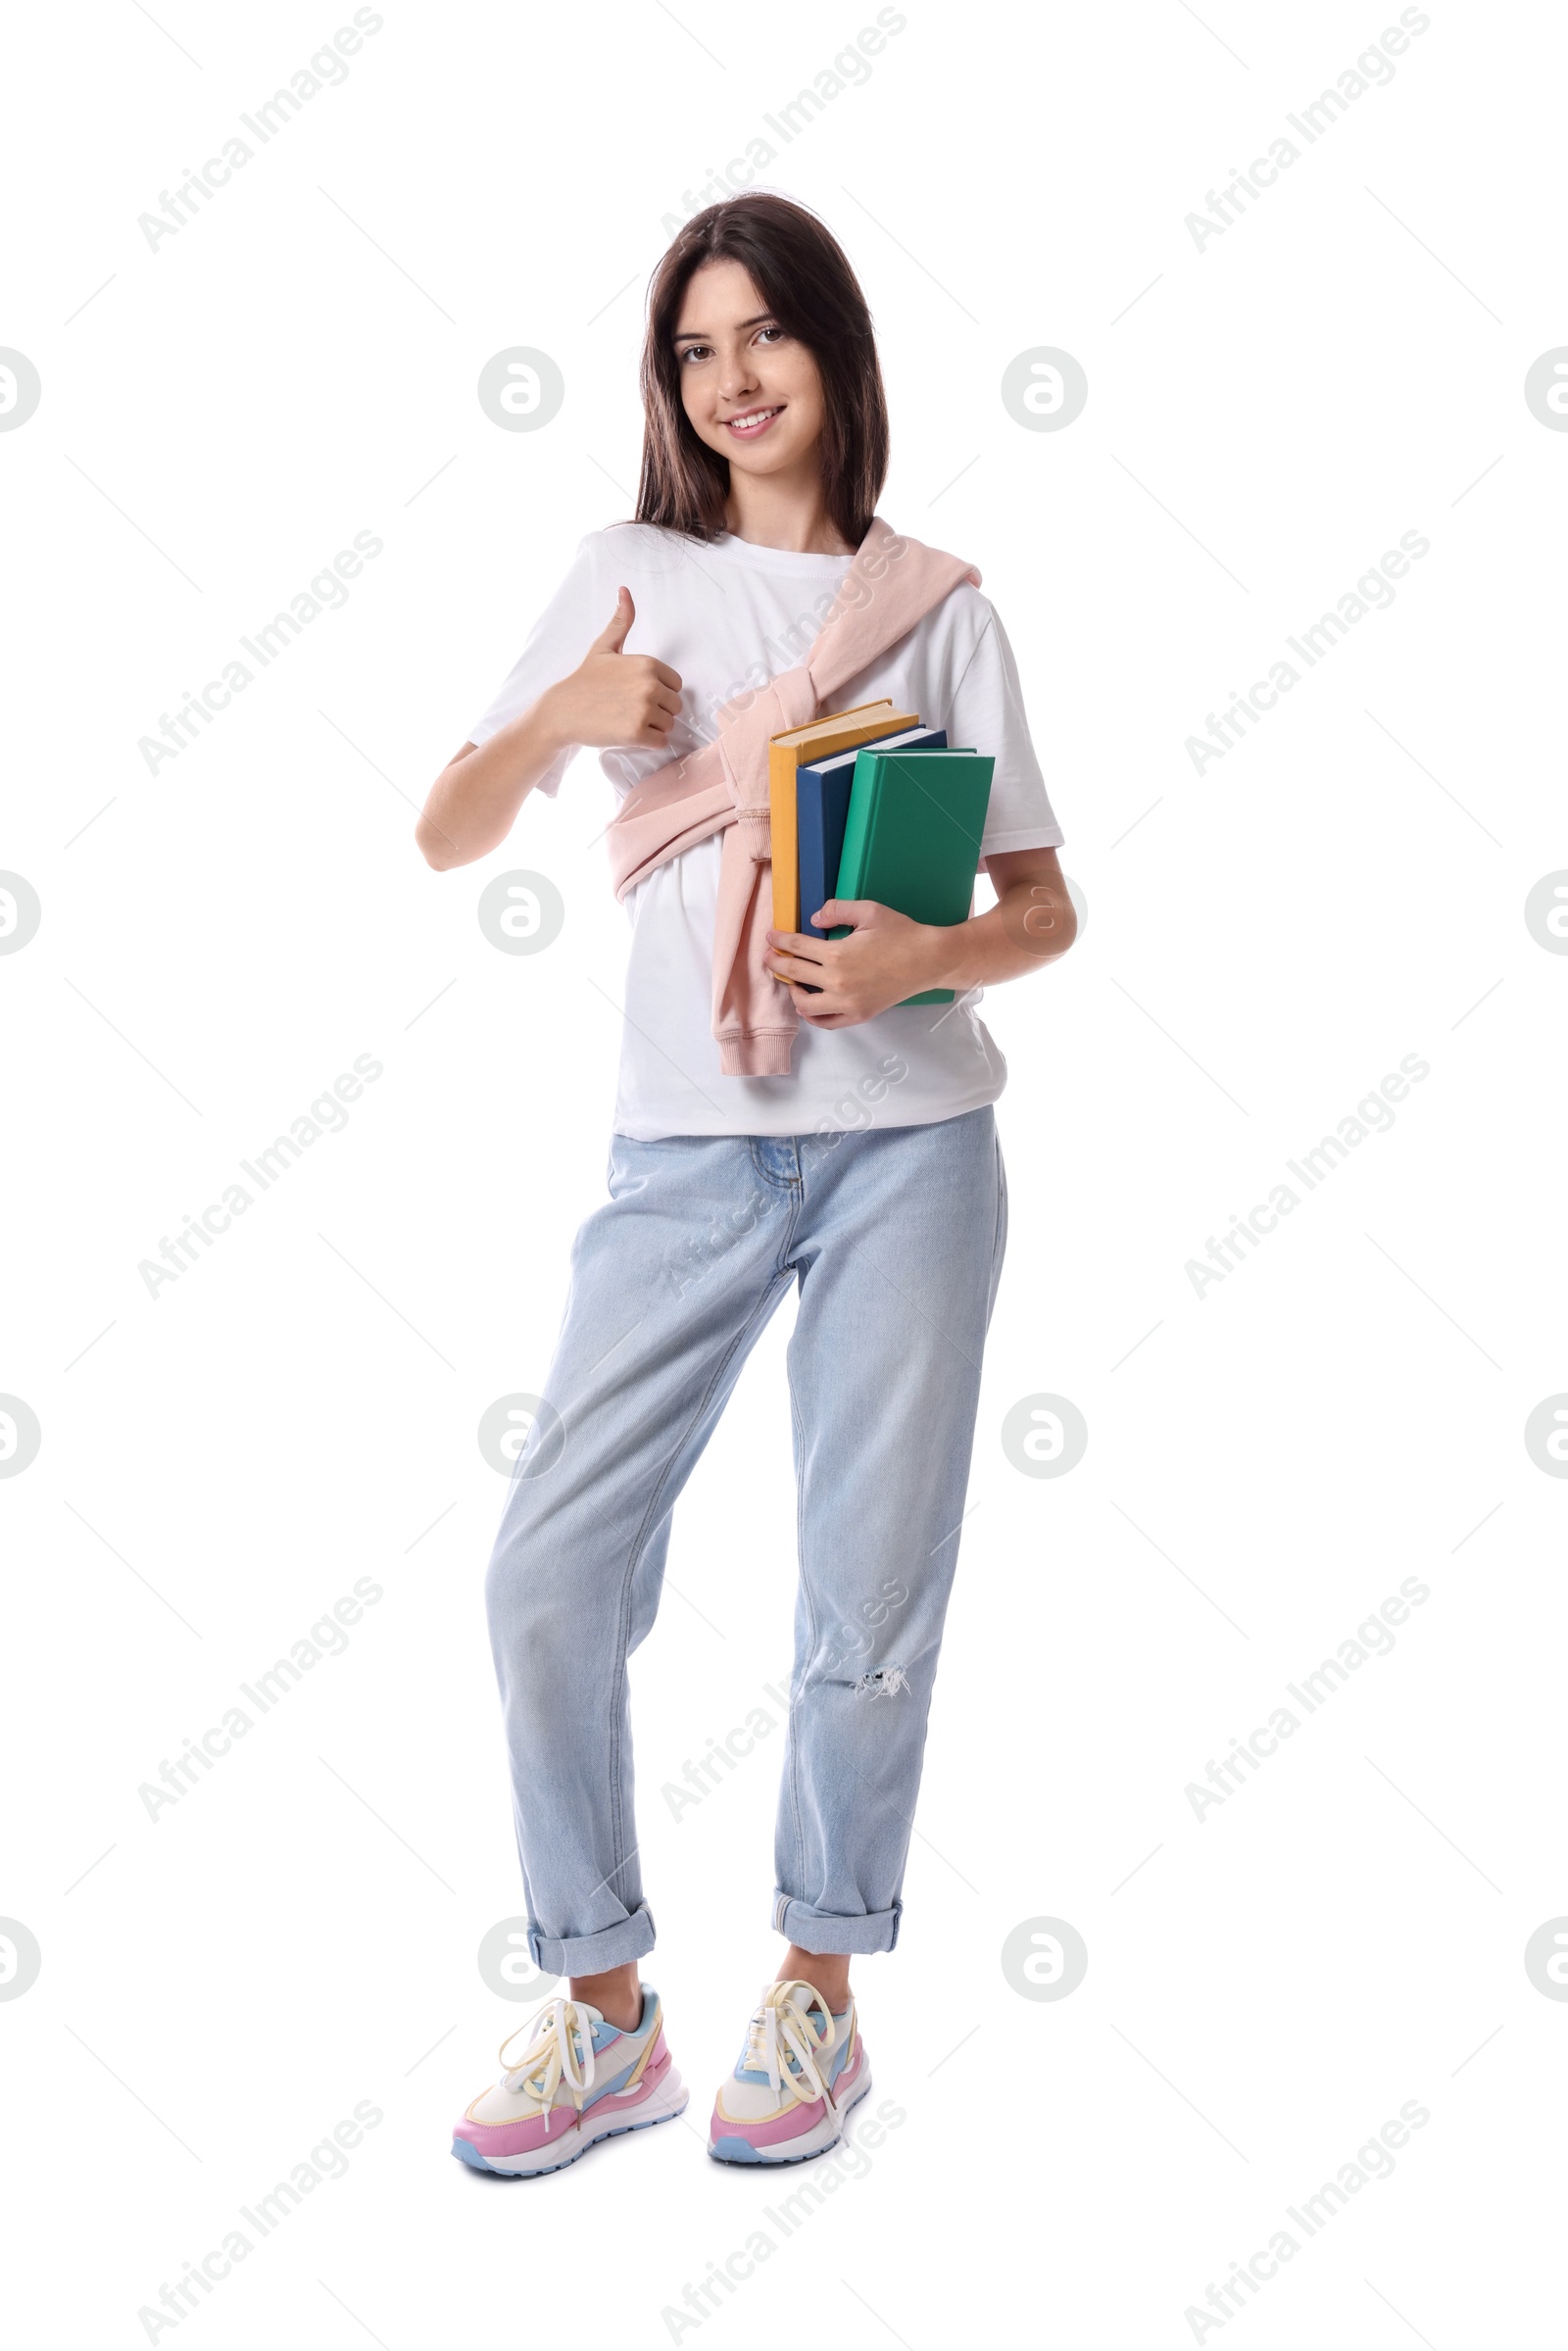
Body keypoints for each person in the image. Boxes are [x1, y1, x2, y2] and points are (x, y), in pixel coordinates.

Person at [416, 192, 1075, 2178]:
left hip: (907, 1150)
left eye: (764, 337)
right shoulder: (627, 576)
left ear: (833, 355)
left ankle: (820, 1988)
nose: (733, 380)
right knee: (546, 1571)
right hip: (687, 1151)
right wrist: (554, 719)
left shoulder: (939, 601)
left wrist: (911, 957)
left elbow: (1041, 910)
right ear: (666, 384)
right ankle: (604, 2008)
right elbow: (446, 831)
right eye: (695, 351)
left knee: (862, 1597)